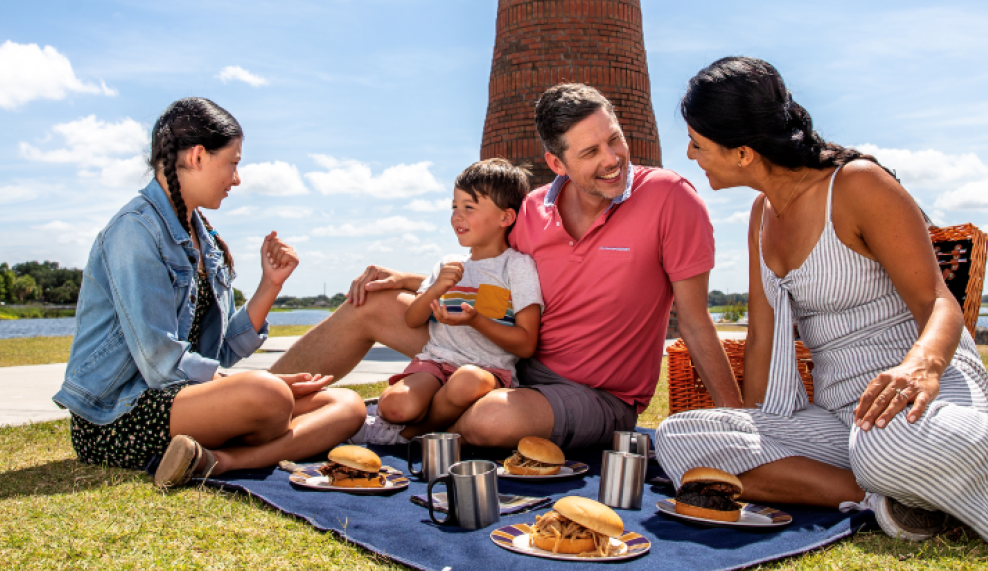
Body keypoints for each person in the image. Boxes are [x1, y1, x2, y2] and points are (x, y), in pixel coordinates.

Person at [274, 83, 742, 448]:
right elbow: (490, 273)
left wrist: (744, 430)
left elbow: (697, 323)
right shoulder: (534, 209)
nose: (613, 160)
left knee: (491, 418)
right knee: (371, 303)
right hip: (510, 358)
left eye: (613, 140)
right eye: (590, 152)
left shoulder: (669, 198)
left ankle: (405, 426)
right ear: (556, 162)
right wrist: (412, 280)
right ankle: (255, 405)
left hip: (596, 395)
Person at [655, 57, 988, 541]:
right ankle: (884, 500)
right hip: (843, 418)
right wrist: (751, 425)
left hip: (923, 395)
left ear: (743, 153)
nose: (691, 155)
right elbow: (762, 339)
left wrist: (920, 367)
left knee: (884, 445)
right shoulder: (760, 216)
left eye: (698, 143)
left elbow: (937, 301)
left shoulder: (858, 185)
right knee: (680, 438)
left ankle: (938, 475)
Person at [53, 98, 365, 488]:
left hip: (186, 399)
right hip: (118, 414)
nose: (237, 178)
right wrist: (261, 387)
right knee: (269, 395)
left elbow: (218, 354)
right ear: (198, 156)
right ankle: (249, 426)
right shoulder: (135, 231)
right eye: (233, 163)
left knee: (347, 405)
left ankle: (218, 461)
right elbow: (159, 362)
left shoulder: (205, 239)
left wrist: (271, 285)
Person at [363, 158, 542, 444]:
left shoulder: (517, 267)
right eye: (454, 207)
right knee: (395, 406)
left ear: (505, 218)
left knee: (466, 381)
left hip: (487, 371)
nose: (457, 216)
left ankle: (412, 434)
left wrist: (476, 320)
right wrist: (434, 290)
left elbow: (526, 343)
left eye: (469, 207)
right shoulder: (448, 263)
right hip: (436, 364)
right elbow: (413, 319)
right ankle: (412, 424)